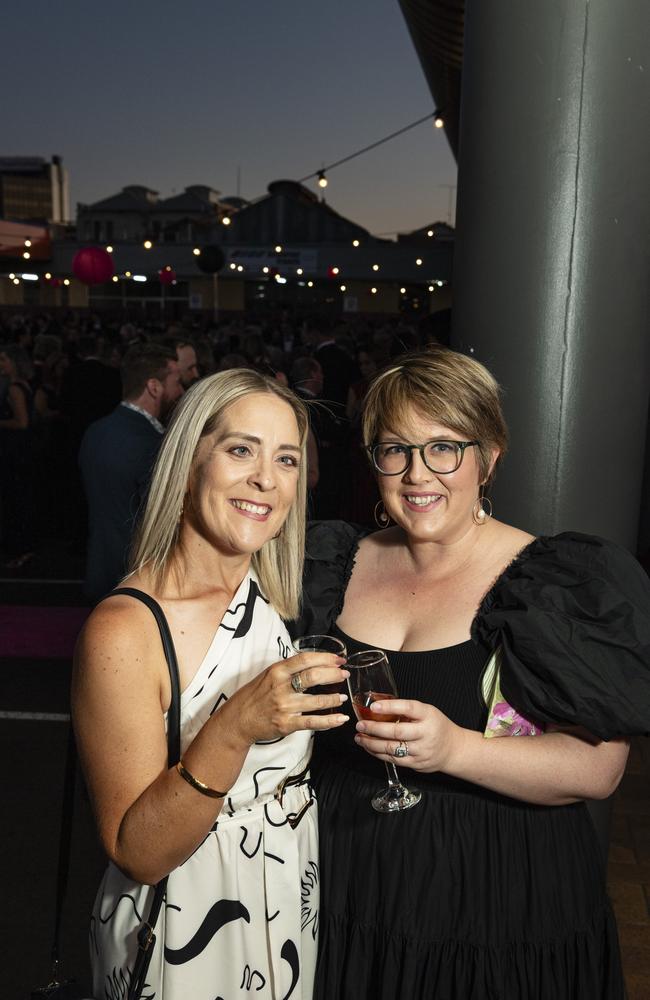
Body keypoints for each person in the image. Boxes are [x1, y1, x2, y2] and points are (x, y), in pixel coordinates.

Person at [291, 347, 650, 999]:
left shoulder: (551, 583)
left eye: (445, 448)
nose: (416, 473)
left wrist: (454, 749)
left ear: (490, 457)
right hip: (347, 882)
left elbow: (598, 770)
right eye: (394, 449)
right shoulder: (329, 559)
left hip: (494, 897)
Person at [72, 369, 349, 1000]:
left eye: (286, 459)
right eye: (240, 449)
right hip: (186, 916)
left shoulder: (275, 600)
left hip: (282, 897)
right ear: (191, 457)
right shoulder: (126, 630)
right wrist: (237, 725)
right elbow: (138, 854)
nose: (266, 479)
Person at [79, 343, 184, 604]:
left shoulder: (95, 431)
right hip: (139, 582)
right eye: (177, 382)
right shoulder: (154, 444)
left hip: (99, 571)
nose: (181, 391)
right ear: (154, 386)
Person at [0, 343, 36, 569]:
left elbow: (22, 422)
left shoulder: (14, 388)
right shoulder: (23, 385)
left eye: (3, 360)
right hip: (21, 451)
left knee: (15, 500)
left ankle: (20, 549)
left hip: (15, 452)